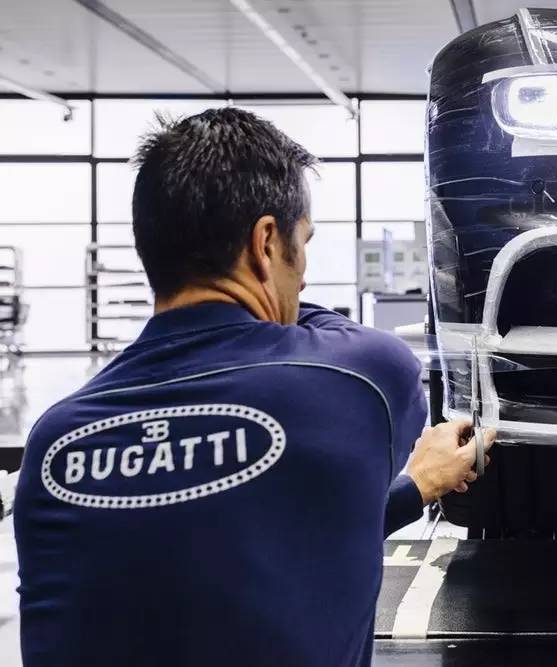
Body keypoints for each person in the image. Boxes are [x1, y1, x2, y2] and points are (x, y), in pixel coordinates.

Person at [13, 107, 493, 667]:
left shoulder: (55, 439)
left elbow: (226, 539)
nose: (304, 276)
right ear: (265, 242)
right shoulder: (359, 377)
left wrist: (416, 488)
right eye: (303, 244)